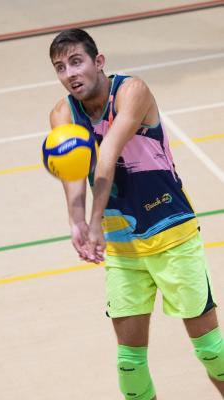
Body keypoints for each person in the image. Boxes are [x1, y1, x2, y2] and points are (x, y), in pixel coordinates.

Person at [48, 28, 224, 399]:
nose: (70, 74)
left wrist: (93, 223)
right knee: (129, 361)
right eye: (60, 68)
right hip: (124, 248)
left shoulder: (132, 92)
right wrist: (76, 220)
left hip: (172, 235)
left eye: (76, 62)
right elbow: (72, 172)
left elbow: (107, 156)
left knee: (213, 353)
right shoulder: (63, 113)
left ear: (98, 62)